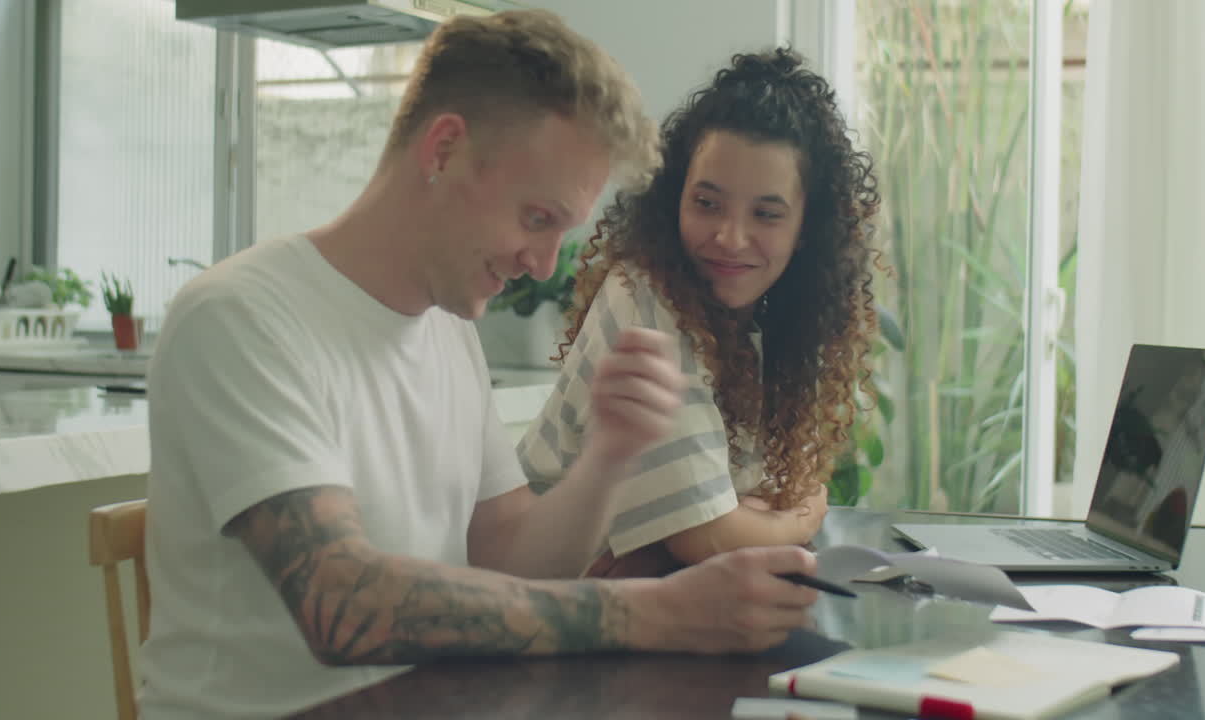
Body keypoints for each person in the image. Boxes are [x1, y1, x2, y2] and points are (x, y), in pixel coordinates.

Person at [138, 11, 819, 720]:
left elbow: (505, 561)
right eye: (537, 219)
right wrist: (654, 613)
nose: (545, 263)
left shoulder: (446, 329)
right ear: (444, 151)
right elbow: (340, 603)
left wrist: (608, 457)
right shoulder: (241, 317)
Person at [519, 48, 881, 578]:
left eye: (766, 214)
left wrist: (744, 522)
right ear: (674, 198)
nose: (730, 238)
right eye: (707, 204)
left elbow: (744, 510)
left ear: (807, 230)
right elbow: (706, 539)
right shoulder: (644, 297)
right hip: (546, 608)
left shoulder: (764, 323)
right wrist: (798, 522)